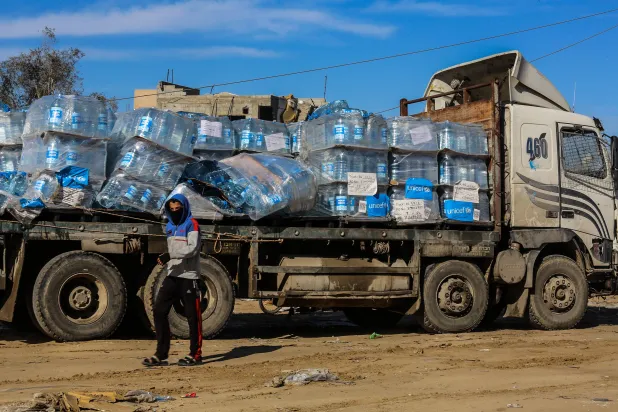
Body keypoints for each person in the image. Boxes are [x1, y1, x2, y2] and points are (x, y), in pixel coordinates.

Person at [143, 193, 203, 367]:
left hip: (189, 276)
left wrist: (171, 255)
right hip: (173, 275)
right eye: (172, 209)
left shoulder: (192, 224)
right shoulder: (169, 225)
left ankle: (195, 353)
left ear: (184, 208)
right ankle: (161, 354)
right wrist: (167, 258)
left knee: (193, 316)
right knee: (159, 310)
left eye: (178, 208)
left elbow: (192, 249)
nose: (175, 211)